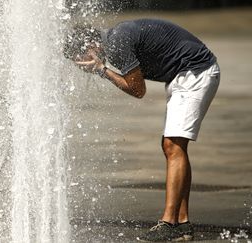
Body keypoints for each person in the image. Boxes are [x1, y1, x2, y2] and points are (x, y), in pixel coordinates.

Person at [64, 19, 220, 242]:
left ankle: (168, 223)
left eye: (83, 58)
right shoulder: (115, 39)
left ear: (91, 45)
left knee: (173, 146)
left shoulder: (117, 43)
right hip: (185, 74)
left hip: (196, 71)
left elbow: (138, 90)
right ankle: (182, 223)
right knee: (172, 146)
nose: (83, 65)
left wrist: (101, 70)